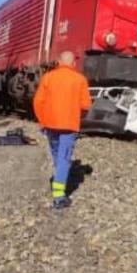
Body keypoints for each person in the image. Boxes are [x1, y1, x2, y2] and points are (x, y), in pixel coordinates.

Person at [33, 51, 92, 209]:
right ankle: (59, 196)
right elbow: (86, 105)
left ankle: (59, 180)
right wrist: (78, 114)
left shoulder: (48, 77)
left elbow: (38, 102)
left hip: (50, 125)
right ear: (73, 64)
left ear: (59, 61)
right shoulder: (80, 79)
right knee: (64, 159)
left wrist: (42, 121)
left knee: (57, 156)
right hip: (69, 125)